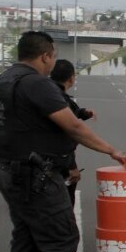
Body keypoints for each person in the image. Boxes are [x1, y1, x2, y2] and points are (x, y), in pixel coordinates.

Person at [0, 31, 126, 252]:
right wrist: (112, 151)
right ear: (45, 56)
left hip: (6, 171)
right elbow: (73, 127)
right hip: (35, 176)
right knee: (64, 238)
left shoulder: (1, 81)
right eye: (52, 56)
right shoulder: (37, 84)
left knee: (26, 235)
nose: (53, 62)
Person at [50, 59, 95, 205]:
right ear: (71, 78)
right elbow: (65, 136)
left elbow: (71, 112)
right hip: (56, 164)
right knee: (64, 203)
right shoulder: (57, 98)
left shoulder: (49, 94)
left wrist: (84, 113)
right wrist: (71, 167)